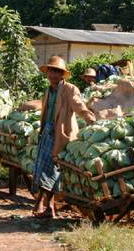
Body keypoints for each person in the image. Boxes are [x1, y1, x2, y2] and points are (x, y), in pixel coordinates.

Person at [33, 56, 96, 218]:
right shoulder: (48, 91)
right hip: (47, 132)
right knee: (42, 169)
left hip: (62, 133)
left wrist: (89, 118)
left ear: (62, 75)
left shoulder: (69, 89)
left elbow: (78, 105)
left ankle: (49, 206)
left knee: (52, 170)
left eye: (57, 72)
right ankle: (47, 206)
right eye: (51, 71)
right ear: (47, 73)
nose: (53, 74)